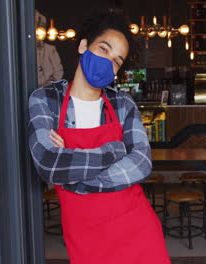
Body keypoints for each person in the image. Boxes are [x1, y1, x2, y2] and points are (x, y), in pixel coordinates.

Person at [28, 13, 170, 264]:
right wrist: (114, 151)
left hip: (137, 229)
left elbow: (141, 163)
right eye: (103, 49)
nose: (108, 62)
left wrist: (75, 181)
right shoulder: (46, 99)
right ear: (83, 46)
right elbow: (49, 163)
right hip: (85, 238)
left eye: (117, 61)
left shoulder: (122, 103)